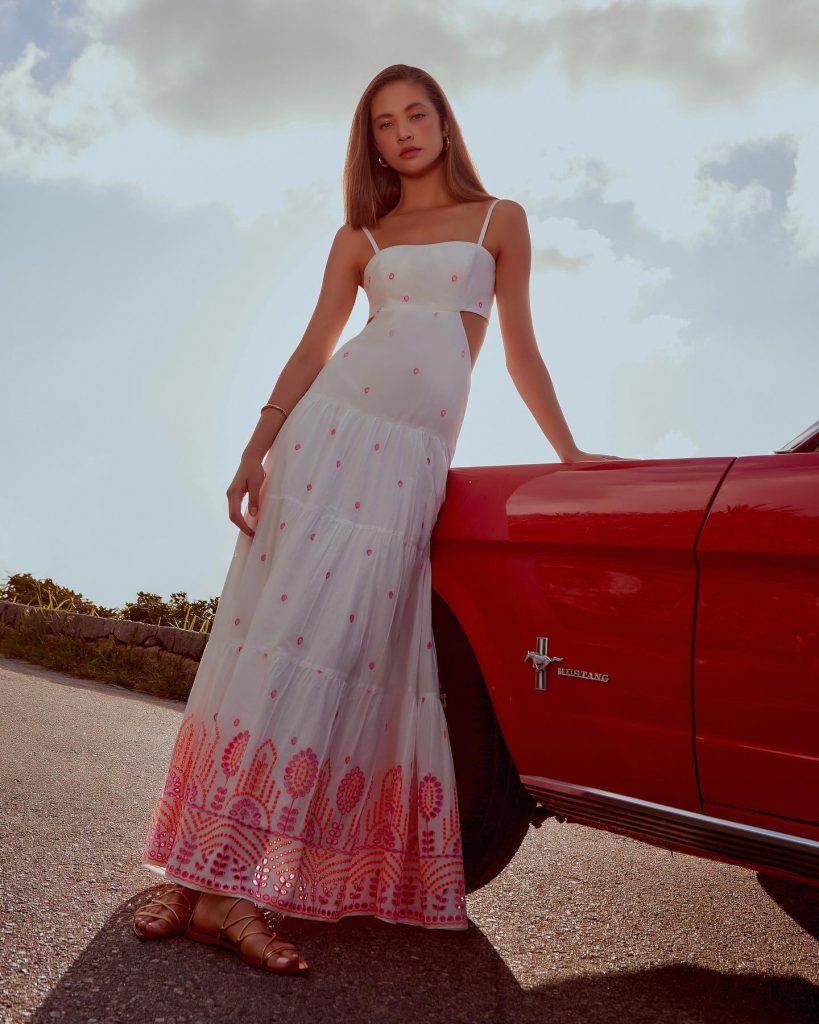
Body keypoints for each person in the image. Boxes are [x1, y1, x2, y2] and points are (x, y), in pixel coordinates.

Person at [132, 63, 623, 976]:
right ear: (373, 144)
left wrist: (570, 454)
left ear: (444, 122)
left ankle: (221, 887)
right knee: (274, 645)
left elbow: (516, 348)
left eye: (415, 114)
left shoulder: (499, 220)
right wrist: (255, 448)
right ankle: (207, 882)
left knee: (338, 656)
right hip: (326, 436)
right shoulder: (361, 236)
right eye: (384, 124)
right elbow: (315, 345)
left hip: (406, 462)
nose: (403, 133)